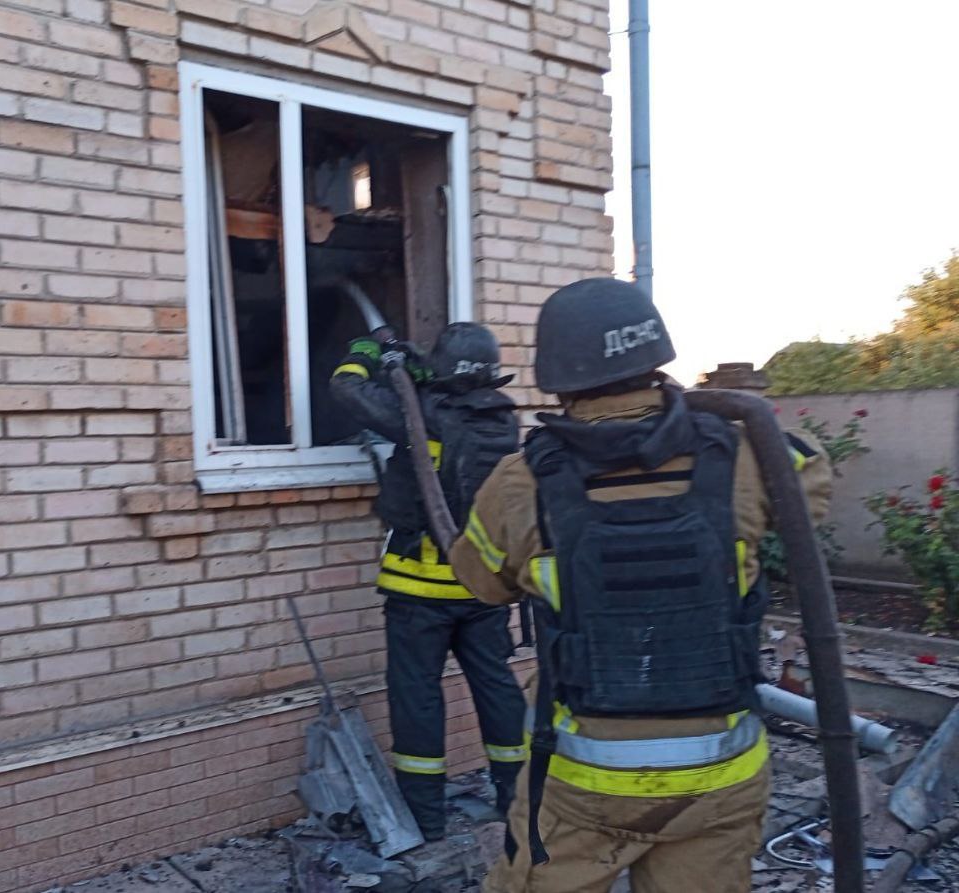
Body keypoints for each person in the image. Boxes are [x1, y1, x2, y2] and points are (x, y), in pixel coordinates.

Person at [449, 278, 832, 893]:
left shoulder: (519, 483)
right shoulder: (750, 456)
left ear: (557, 377)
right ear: (657, 357)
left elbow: (482, 584)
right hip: (720, 781)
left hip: (581, 789)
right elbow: (810, 481)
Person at [330, 322, 529, 840]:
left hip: (418, 588)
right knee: (497, 688)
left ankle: (425, 816)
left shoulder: (419, 413)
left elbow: (346, 389)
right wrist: (417, 365)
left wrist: (364, 352)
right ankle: (517, 799)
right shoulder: (502, 421)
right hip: (483, 587)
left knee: (417, 698)